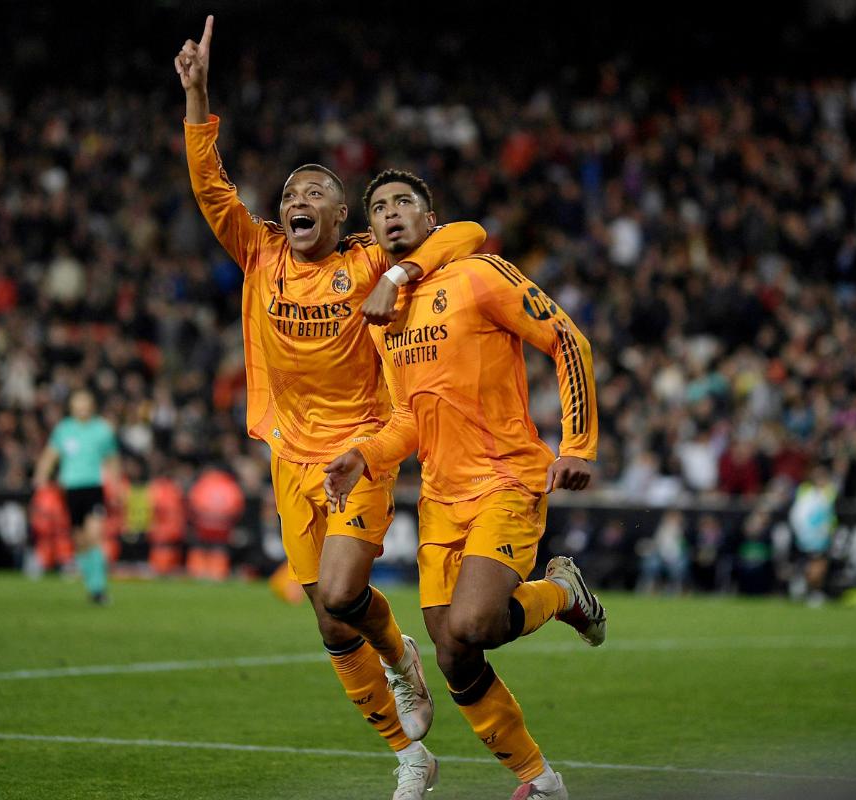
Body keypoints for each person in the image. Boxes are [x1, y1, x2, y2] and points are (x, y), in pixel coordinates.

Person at [177, 16, 486, 798]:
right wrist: (198, 94)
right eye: (291, 193)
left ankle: (401, 655)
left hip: (362, 447)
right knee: (325, 622)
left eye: (316, 192)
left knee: (348, 596)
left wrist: (403, 277)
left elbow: (464, 234)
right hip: (289, 454)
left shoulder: (368, 260)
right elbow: (211, 184)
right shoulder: (261, 253)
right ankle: (409, 755)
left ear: (342, 218)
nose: (299, 198)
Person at [324, 170, 607, 800]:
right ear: (370, 230)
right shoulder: (382, 317)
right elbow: (407, 422)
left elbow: (567, 340)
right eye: (380, 208)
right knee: (452, 652)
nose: (392, 214)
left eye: (405, 204)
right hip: (441, 496)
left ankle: (561, 592)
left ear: (430, 222)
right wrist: (362, 455)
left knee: (474, 623)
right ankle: (540, 781)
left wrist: (579, 443)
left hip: (506, 477)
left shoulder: (480, 274)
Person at [33, 390, 119, 605]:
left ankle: (98, 587)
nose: (81, 407)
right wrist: (41, 476)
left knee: (95, 535)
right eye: (77, 403)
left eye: (85, 402)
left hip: (93, 487)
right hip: (70, 490)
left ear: (92, 405)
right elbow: (51, 454)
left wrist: (116, 486)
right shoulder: (64, 429)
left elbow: (112, 460)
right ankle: (91, 584)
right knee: (80, 540)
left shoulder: (101, 430)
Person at [788, 463, 837, 606]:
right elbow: (799, 515)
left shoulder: (830, 493)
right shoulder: (806, 493)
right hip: (810, 536)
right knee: (814, 565)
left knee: (820, 565)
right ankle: (809, 590)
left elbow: (830, 515)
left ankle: (812, 591)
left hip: (823, 536)